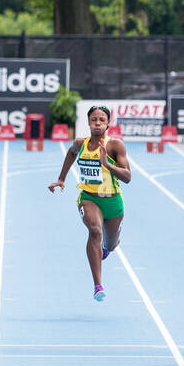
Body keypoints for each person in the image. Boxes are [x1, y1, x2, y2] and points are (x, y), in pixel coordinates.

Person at [48, 105, 130, 302]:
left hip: (113, 202)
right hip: (89, 198)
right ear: (88, 122)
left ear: (108, 123)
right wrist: (61, 178)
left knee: (109, 244)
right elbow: (71, 153)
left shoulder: (115, 146)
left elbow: (128, 177)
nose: (97, 123)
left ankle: (109, 246)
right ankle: (98, 285)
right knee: (94, 231)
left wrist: (108, 164)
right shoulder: (80, 143)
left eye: (102, 119)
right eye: (94, 119)